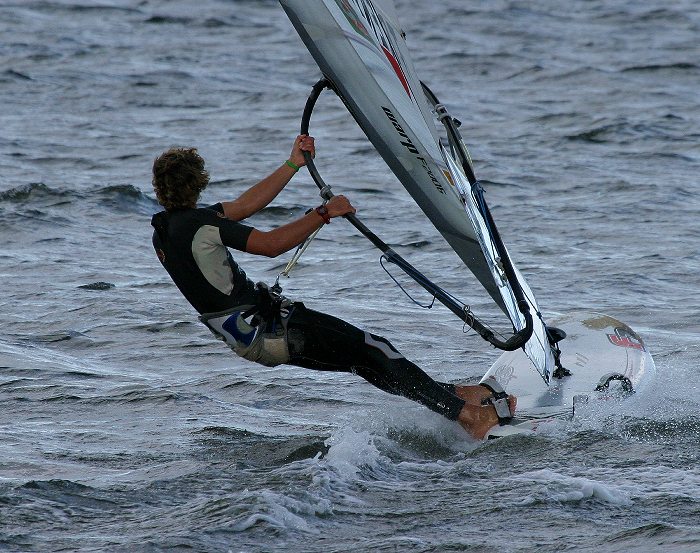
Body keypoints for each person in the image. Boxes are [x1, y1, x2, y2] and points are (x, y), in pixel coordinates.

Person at [150, 135, 515, 439]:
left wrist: (293, 163)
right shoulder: (202, 226)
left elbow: (245, 205)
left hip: (250, 340)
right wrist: (324, 213)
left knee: (364, 360)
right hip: (274, 328)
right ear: (199, 182)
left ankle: (452, 396)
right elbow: (270, 244)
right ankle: (470, 417)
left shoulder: (165, 230)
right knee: (375, 348)